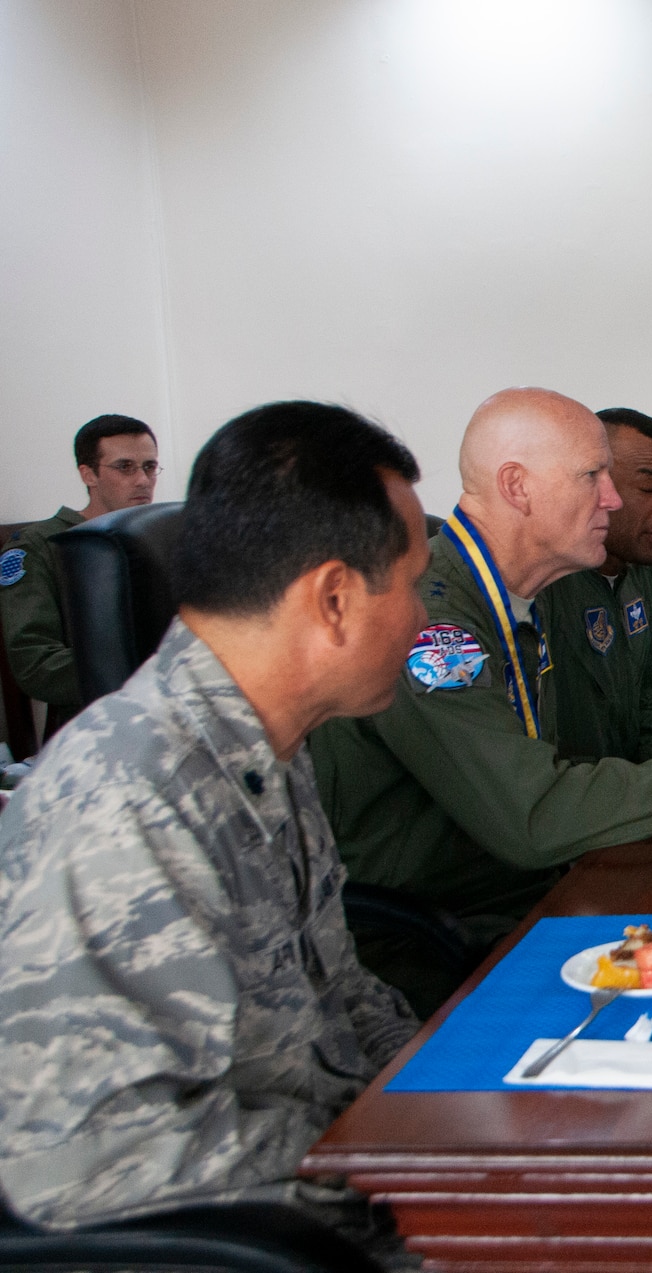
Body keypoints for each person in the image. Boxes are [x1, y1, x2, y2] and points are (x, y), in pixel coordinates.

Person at [0, 401, 421, 1251]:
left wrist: (456, 1101)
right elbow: (96, 1163)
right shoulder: (128, 792)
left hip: (345, 1176)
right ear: (334, 597)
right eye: (412, 586)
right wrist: (387, 1173)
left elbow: (340, 996)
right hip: (278, 1234)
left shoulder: (269, 740)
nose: (419, 621)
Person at [309, 389, 652, 1012]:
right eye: (593, 477)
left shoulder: (533, 592)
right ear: (517, 486)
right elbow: (531, 813)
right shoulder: (437, 622)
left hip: (553, 883)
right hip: (449, 933)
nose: (612, 500)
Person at [537, 407, 652, 762]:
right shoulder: (543, 581)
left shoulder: (640, 570)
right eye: (648, 488)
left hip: (632, 793)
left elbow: (650, 701)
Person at [0, 413, 159, 739]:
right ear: (88, 474)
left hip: (169, 713)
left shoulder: (162, 536)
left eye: (150, 467)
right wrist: (142, 671)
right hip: (93, 727)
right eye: (125, 467)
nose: (143, 480)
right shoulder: (41, 547)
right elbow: (35, 663)